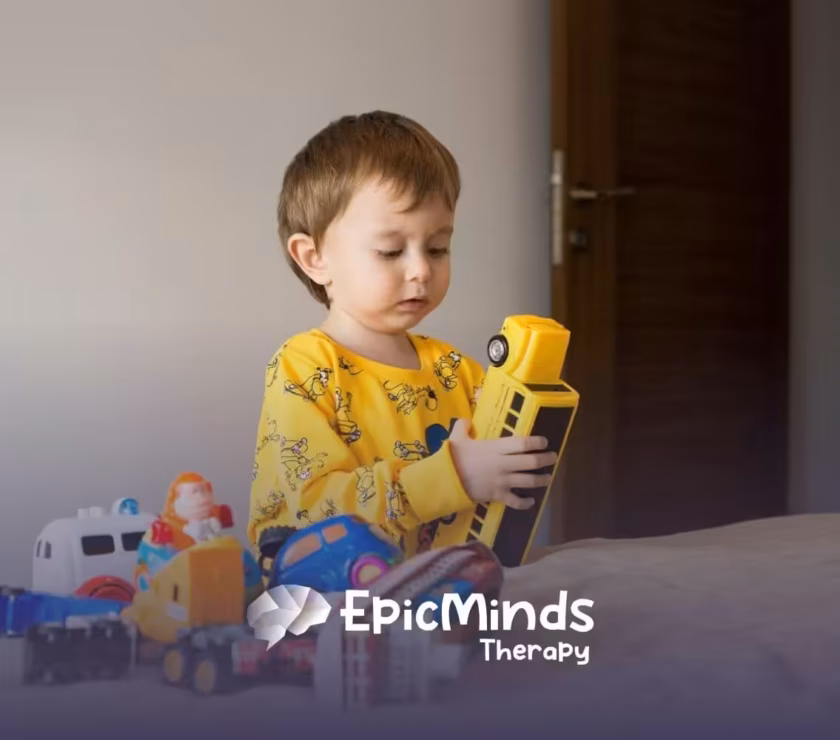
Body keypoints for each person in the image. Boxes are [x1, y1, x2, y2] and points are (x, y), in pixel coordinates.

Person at [248, 111, 556, 558]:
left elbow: (509, 471)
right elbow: (312, 512)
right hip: (334, 589)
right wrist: (452, 477)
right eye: (390, 251)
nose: (421, 270)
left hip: (438, 583)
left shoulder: (455, 370)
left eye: (438, 248)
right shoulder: (304, 367)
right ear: (314, 258)